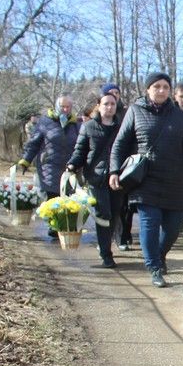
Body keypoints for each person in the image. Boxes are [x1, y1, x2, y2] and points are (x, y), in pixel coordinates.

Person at [109, 72, 183, 288]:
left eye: (165, 87)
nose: (161, 90)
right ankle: (153, 267)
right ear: (148, 89)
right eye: (157, 86)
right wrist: (114, 170)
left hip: (175, 180)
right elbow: (120, 144)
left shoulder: (178, 115)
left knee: (172, 228)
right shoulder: (135, 111)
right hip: (146, 180)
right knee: (149, 224)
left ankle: (160, 254)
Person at [68, 92, 124, 268]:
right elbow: (80, 150)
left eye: (112, 104)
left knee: (114, 214)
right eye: (106, 104)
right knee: (103, 214)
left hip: (117, 178)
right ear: (98, 106)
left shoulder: (122, 127)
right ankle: (106, 254)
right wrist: (72, 165)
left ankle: (105, 242)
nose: (109, 107)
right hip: (96, 177)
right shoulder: (89, 127)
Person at [21, 95, 81, 202]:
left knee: (68, 204)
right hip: (49, 168)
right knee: (52, 203)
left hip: (69, 169)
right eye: (62, 106)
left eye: (68, 107)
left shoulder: (76, 124)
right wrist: (26, 160)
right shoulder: (45, 122)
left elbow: (81, 146)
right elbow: (33, 143)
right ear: (57, 106)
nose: (65, 110)